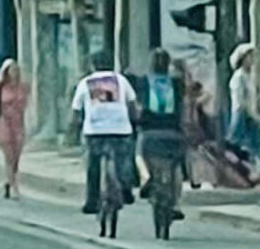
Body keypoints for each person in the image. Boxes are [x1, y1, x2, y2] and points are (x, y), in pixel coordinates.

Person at [70, 50, 137, 221]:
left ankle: (92, 201)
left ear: (93, 65)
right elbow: (132, 104)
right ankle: (126, 189)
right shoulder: (121, 80)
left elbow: (76, 110)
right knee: (124, 160)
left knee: (93, 165)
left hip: (94, 131)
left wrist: (74, 128)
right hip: (120, 128)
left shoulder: (85, 83)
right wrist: (133, 119)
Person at [133, 48, 185, 227]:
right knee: (177, 166)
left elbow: (136, 106)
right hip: (173, 132)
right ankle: (176, 203)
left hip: (149, 133)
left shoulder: (142, 82)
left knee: (139, 154)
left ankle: (145, 177)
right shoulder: (177, 83)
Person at [225, 43, 260, 181]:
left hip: (248, 114)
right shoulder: (238, 77)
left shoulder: (249, 76)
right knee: (234, 144)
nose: (252, 59)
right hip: (241, 114)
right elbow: (241, 100)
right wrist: (253, 114)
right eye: (250, 56)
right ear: (242, 59)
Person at [0, 58, 29, 197]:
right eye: (11, 70)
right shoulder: (1, 86)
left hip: (18, 124)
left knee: (16, 157)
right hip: (4, 123)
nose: (14, 73)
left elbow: (26, 105)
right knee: (8, 156)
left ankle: (9, 181)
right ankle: (14, 187)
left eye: (16, 70)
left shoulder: (23, 86)